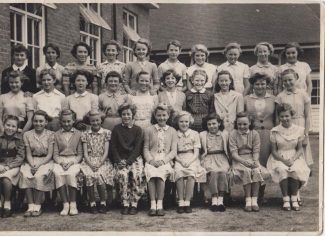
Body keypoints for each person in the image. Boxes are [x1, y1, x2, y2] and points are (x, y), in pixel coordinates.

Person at [267, 103, 310, 211]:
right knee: (282, 170)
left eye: (287, 116)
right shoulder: (274, 131)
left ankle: (294, 199)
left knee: (295, 170)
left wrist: (293, 159)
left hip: (294, 156)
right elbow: (274, 151)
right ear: (279, 117)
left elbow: (300, 149)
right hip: (279, 157)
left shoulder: (299, 129)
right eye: (282, 116)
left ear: (291, 116)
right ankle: (286, 199)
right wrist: (284, 161)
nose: (284, 118)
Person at [244, 73, 276, 203]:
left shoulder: (273, 98)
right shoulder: (246, 99)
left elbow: (277, 118)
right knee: (252, 162)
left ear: (267, 85)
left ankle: (260, 195)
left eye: (263, 83)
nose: (260, 86)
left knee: (263, 163)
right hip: (252, 133)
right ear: (253, 85)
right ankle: (250, 194)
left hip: (268, 133)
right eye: (257, 84)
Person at [229, 112, 268, 212]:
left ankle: (254, 200)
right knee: (246, 170)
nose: (242, 126)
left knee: (256, 170)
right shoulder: (233, 134)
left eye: (245, 124)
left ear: (250, 123)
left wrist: (255, 161)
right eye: (239, 124)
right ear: (236, 123)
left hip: (252, 158)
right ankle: (248, 200)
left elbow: (256, 150)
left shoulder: (254, 134)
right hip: (239, 159)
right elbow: (234, 153)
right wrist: (243, 161)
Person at [110, 103, 145, 215]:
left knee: (136, 174)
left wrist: (129, 161)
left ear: (133, 115)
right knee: (122, 175)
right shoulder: (116, 129)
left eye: (128, 114)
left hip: (134, 158)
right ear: (121, 115)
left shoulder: (138, 130)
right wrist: (119, 161)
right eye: (124, 114)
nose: (126, 116)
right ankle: (125, 202)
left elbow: (137, 148)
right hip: (120, 159)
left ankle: (134, 203)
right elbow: (113, 147)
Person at [143, 103, 177, 216]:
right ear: (155, 116)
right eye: (159, 115)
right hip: (152, 158)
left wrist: (164, 161)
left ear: (168, 116)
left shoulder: (172, 131)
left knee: (161, 173)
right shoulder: (149, 130)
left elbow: (173, 151)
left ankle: (160, 204)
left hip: (165, 159)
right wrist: (150, 160)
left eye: (164, 115)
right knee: (152, 173)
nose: (161, 118)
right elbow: (146, 148)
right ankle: (153, 205)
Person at [19, 110, 55, 217]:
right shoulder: (27, 134)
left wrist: (38, 166)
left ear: (46, 122)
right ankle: (30, 206)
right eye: (35, 121)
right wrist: (32, 165)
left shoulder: (51, 134)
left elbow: (49, 155)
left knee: (40, 176)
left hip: (45, 161)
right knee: (26, 175)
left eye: (41, 121)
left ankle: (38, 206)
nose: (38, 123)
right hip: (31, 160)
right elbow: (28, 154)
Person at [275, 69, 312, 166]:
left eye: (290, 80)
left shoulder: (303, 94)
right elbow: (277, 117)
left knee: (302, 155)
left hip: (300, 124)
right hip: (285, 126)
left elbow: (308, 116)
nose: (288, 83)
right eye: (285, 81)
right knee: (289, 155)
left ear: (296, 78)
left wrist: (306, 135)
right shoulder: (280, 96)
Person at [80, 111, 114, 214]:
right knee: (89, 175)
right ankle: (92, 203)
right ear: (89, 122)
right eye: (92, 121)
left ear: (101, 120)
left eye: (97, 120)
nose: (95, 123)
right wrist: (91, 164)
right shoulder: (85, 134)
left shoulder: (107, 133)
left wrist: (98, 164)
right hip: (89, 160)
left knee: (99, 175)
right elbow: (85, 153)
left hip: (102, 160)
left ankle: (103, 203)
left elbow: (106, 152)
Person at [174, 111, 206, 214]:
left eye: (186, 121)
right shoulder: (174, 134)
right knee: (178, 173)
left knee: (191, 173)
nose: (184, 124)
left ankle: (187, 201)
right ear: (177, 122)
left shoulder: (194, 134)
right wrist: (180, 161)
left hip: (192, 157)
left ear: (190, 122)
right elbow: (173, 151)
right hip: (179, 157)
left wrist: (190, 161)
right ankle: (181, 201)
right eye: (181, 121)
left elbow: (196, 152)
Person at [52, 109, 83, 216]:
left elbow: (80, 154)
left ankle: (73, 204)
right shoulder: (56, 135)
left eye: (69, 121)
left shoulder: (79, 134)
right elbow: (55, 154)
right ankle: (65, 204)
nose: (66, 124)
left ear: (73, 120)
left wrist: (71, 163)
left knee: (71, 174)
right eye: (64, 121)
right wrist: (61, 163)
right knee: (58, 173)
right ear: (60, 122)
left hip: (74, 160)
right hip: (60, 160)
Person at [200, 113, 229, 212]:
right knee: (213, 172)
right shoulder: (203, 135)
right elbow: (201, 150)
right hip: (209, 158)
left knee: (223, 172)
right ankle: (214, 199)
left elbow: (228, 148)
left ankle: (221, 200)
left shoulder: (225, 134)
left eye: (214, 123)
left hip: (222, 157)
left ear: (219, 123)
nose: (212, 126)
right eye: (209, 124)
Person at [0, 115, 25, 218]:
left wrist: (8, 167)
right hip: (1, 165)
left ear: (17, 128)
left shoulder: (19, 140)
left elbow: (20, 157)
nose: (10, 128)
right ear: (4, 125)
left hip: (14, 166)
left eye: (13, 126)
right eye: (8, 125)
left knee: (6, 178)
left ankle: (7, 204)